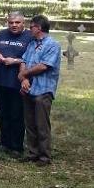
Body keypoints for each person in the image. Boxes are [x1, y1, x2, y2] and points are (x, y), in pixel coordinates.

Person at [18, 15, 62, 166]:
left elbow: (44, 66)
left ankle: (44, 156)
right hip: (28, 89)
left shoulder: (53, 45)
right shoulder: (31, 44)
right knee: (29, 123)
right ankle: (33, 152)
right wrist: (23, 79)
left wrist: (24, 74)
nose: (29, 29)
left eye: (31, 27)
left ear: (39, 28)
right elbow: (23, 60)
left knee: (41, 124)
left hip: (43, 90)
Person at [0, 11, 31, 157]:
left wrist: (16, 61)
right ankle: (4, 142)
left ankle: (16, 147)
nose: (13, 25)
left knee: (17, 115)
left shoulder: (29, 37)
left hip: (18, 83)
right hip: (1, 82)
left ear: (23, 23)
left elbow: (33, 58)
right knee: (3, 114)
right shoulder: (2, 34)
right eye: (11, 22)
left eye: (17, 22)